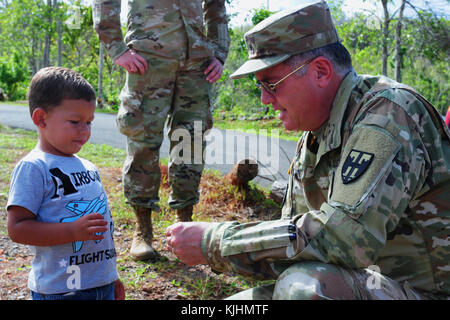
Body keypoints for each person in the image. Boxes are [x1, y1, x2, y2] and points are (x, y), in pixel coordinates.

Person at [166, 1, 450, 300]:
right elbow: (296, 251)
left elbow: (343, 239)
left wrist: (216, 241)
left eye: (271, 84)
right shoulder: (315, 134)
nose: (264, 99)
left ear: (321, 71)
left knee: (302, 289)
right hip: (358, 285)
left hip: (421, 292)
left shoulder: (388, 113)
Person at [93, 0, 230, 261]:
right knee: (143, 141)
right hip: (148, 58)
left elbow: (215, 5)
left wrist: (219, 52)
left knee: (191, 141)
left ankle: (186, 227)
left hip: (197, 62)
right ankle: (142, 232)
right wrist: (116, 47)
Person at [6, 67, 125, 300]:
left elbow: (102, 238)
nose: (85, 131)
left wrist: (111, 277)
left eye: (89, 122)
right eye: (75, 122)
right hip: (61, 289)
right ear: (41, 118)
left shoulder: (88, 166)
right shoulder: (34, 167)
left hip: (100, 284)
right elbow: (17, 228)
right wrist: (71, 230)